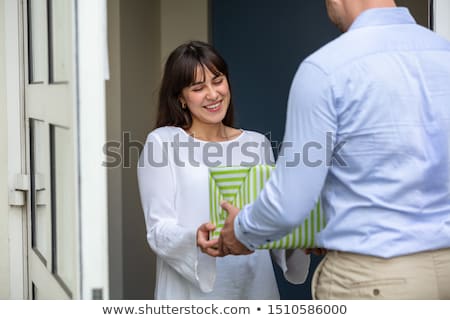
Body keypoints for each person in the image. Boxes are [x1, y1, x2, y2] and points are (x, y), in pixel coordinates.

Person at [216, 0, 450, 299]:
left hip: (375, 280)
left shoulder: (326, 69)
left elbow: (288, 203)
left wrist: (240, 232)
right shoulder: (444, 53)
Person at [137, 40, 311, 299]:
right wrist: (195, 238)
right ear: (180, 99)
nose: (213, 94)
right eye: (198, 87)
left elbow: (270, 219)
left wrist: (300, 235)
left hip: (254, 286)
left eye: (217, 81)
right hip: (194, 292)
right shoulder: (162, 143)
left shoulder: (257, 144)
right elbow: (158, 230)